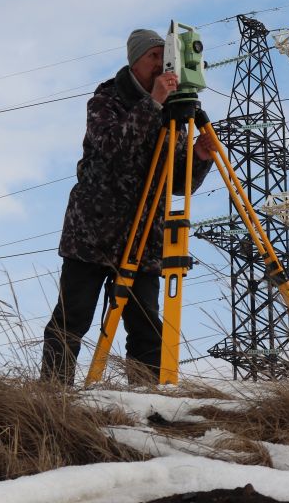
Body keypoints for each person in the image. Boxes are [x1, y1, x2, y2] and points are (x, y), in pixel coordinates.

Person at [40, 28, 214, 385]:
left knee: (147, 327)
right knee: (72, 319)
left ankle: (144, 402)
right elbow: (113, 150)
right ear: (135, 60)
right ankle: (52, 397)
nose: (161, 65)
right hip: (93, 234)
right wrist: (152, 103)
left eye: (164, 58)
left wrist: (198, 157)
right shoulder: (105, 100)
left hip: (145, 235)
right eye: (154, 56)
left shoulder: (172, 113)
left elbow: (177, 182)